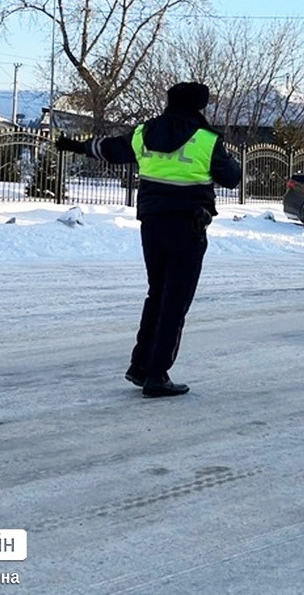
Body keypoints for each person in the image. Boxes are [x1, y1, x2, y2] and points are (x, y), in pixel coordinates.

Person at [55, 82, 241, 398]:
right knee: (175, 300)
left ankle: (140, 365)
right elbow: (231, 178)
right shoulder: (206, 140)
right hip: (189, 226)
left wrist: (74, 146)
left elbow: (110, 149)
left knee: (157, 293)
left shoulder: (144, 132)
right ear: (198, 106)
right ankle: (157, 375)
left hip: (152, 223)